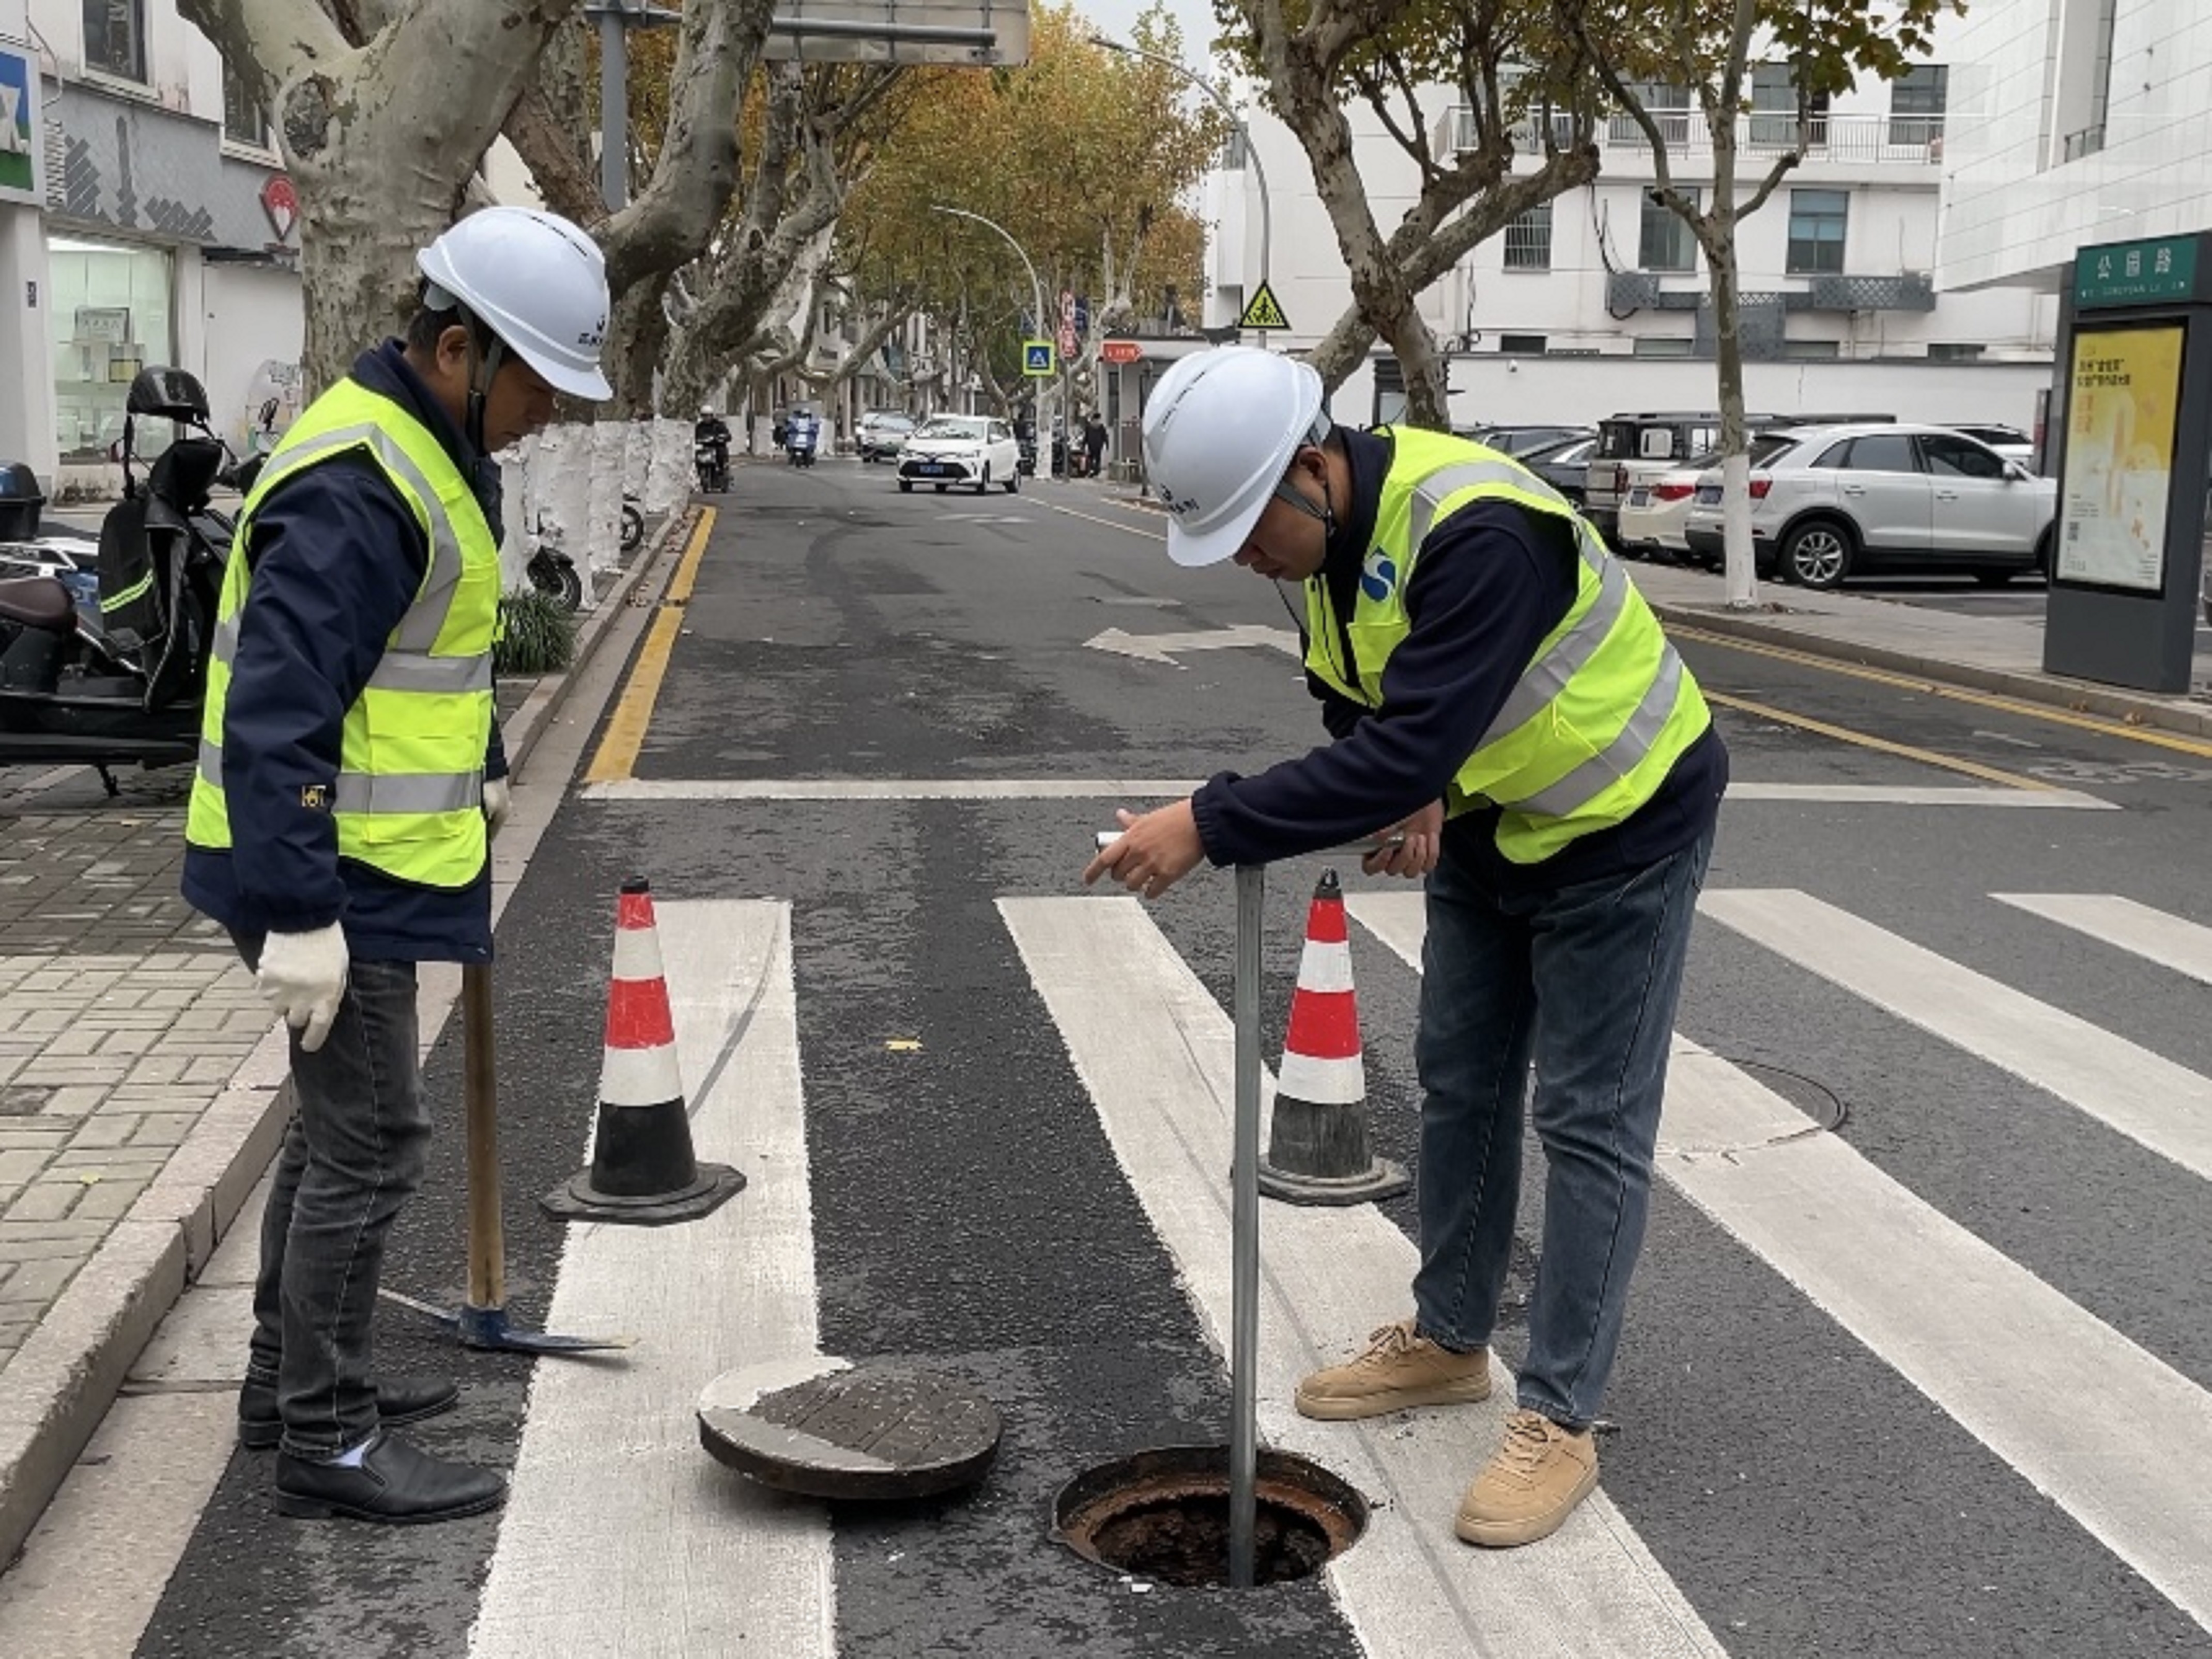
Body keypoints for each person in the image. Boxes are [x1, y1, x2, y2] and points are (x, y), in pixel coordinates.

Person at [1083, 346, 1726, 1549]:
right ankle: (1449, 1340)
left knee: (1588, 1117)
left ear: (1312, 467)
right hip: (1493, 821)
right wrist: (1422, 780)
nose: (1242, 557)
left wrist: (1209, 821)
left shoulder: (1478, 531)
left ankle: (1561, 1414)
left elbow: (1395, 747)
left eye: (1247, 526)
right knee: (1461, 1079)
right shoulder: (1329, 549)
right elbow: (1363, 698)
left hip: (1623, 822)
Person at [182, 205, 611, 1524]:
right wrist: (300, 911)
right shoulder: (360, 481)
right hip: (329, 876)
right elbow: (280, 709)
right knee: (372, 1147)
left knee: (334, 1140)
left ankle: (286, 1385)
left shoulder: (424, 448)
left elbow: (425, 648)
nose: (549, 411)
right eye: (539, 381)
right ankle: (328, 1435)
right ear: (458, 349)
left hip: (359, 862)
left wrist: (482, 748)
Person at [1083, 412, 1109, 480]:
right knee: (1093, 459)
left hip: (1096, 446)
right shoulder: (1090, 427)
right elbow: (1086, 437)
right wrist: (1084, 445)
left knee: (1096, 459)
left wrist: (1107, 445)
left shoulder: (1100, 427)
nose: (1098, 421)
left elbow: (1105, 437)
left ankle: (1095, 472)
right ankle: (1093, 471)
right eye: (1097, 420)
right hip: (1094, 445)